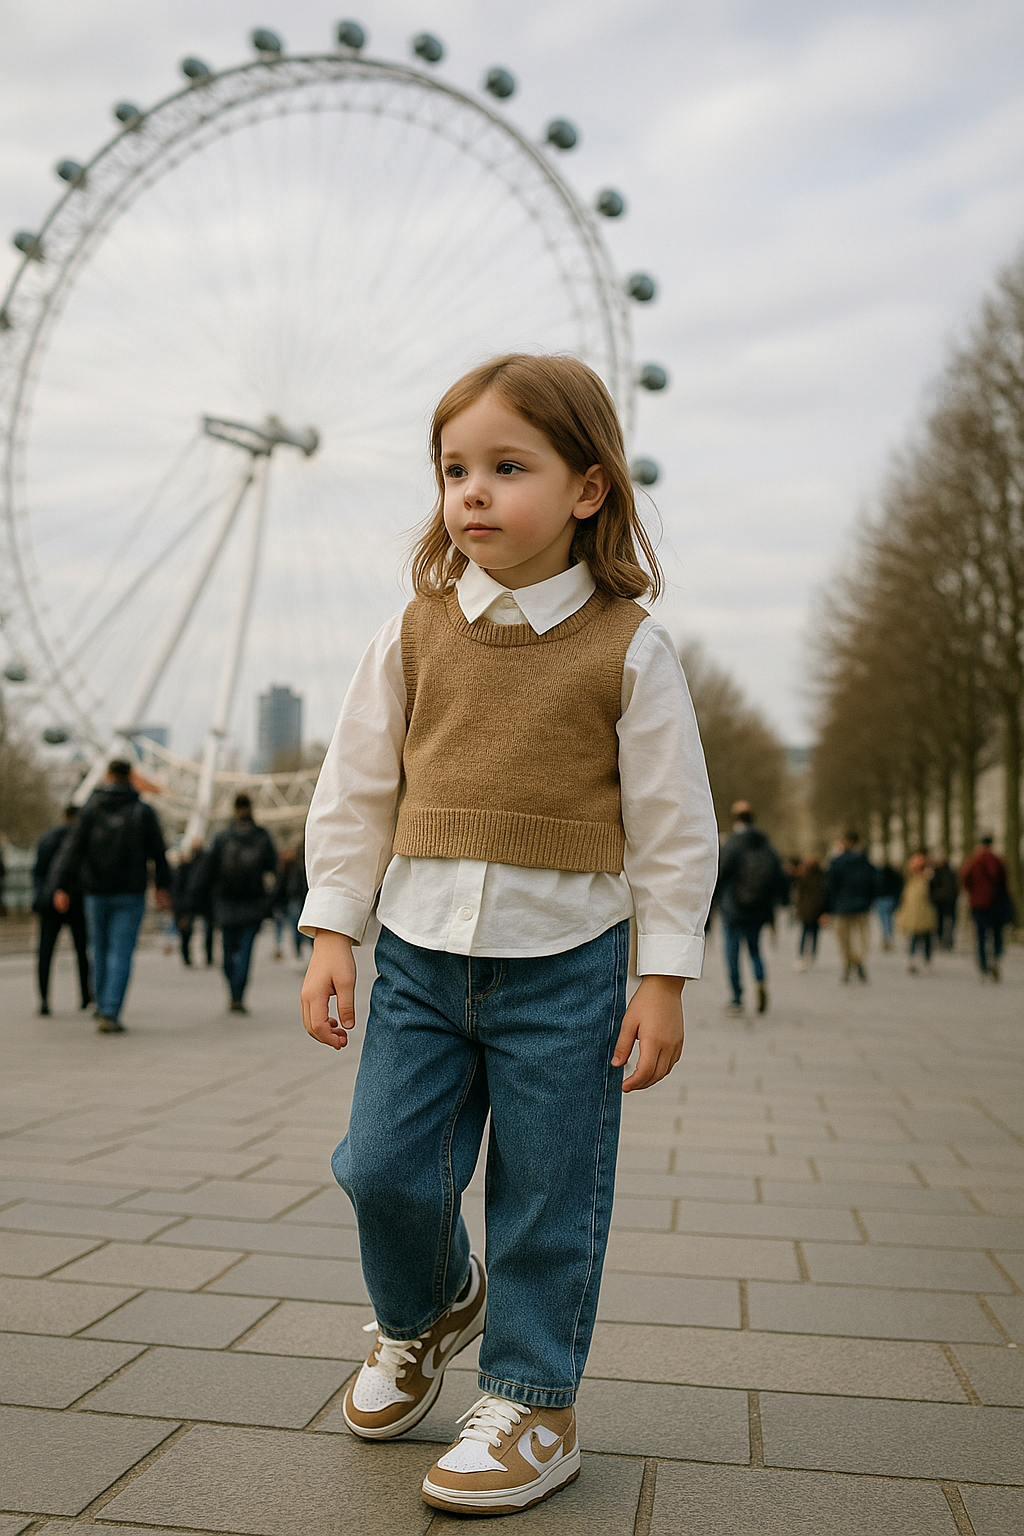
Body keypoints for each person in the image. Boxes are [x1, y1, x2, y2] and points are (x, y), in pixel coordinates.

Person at [298, 354, 718, 1518]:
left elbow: (676, 824)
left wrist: (663, 975)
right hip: (421, 958)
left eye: (505, 467)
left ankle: (534, 1402)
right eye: (452, 471)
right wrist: (333, 931)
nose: (471, 492)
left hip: (568, 968)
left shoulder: (629, 647)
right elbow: (355, 789)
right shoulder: (416, 635)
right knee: (379, 1165)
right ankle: (426, 1305)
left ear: (588, 489)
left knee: (547, 1192)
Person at [51, 759, 171, 1033]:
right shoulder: (143, 811)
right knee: (121, 951)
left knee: (99, 948)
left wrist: (61, 885)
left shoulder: (91, 809)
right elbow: (159, 852)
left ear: (107, 776)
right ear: (130, 777)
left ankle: (100, 1002)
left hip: (95, 890)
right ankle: (110, 1009)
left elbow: (72, 849)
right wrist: (163, 886)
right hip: (130, 891)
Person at [194, 793, 277, 1013]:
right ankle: (239, 994)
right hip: (253, 902)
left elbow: (208, 871)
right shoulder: (262, 836)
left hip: (226, 902)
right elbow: (273, 868)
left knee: (228, 950)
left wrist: (196, 899)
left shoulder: (222, 837)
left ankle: (232, 989)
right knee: (246, 952)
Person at [715, 801, 788, 1015]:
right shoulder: (765, 843)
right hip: (759, 909)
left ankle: (737, 997)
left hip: (734, 909)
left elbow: (720, 873)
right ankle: (760, 979)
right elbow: (779, 875)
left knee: (732, 952)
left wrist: (713, 902)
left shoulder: (732, 844)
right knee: (755, 950)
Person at [33, 806, 92, 1016]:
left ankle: (44, 999)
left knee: (46, 952)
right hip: (76, 901)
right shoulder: (82, 840)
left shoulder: (47, 838)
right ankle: (86, 996)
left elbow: (38, 872)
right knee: (82, 951)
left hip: (49, 903)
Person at [822, 831, 878, 983]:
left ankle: (847, 963)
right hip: (861, 907)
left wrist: (826, 909)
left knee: (843, 940)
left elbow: (829, 886)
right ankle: (859, 961)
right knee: (862, 939)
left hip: (841, 907)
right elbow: (876, 882)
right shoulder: (865, 861)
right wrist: (868, 900)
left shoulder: (836, 862)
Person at [960, 836, 1014, 981]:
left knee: (981, 936)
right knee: (996, 933)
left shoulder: (972, 861)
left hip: (978, 905)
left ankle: (983, 965)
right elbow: (1004, 881)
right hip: (996, 904)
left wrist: (973, 894)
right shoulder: (997, 860)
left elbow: (965, 879)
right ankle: (995, 958)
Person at [895, 852, 937, 974]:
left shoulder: (926, 878)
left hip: (924, 911)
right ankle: (915, 959)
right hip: (915, 912)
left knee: (925, 936)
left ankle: (924, 960)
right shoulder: (911, 879)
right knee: (915, 936)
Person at [170, 838, 205, 966]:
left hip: (189, 903)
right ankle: (186, 956)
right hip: (184, 904)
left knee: (187, 931)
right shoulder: (182, 870)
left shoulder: (193, 866)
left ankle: (187, 956)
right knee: (185, 932)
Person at [792, 855, 824, 971]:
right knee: (813, 934)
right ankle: (812, 955)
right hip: (816, 910)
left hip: (808, 911)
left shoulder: (804, 876)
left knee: (806, 933)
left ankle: (803, 955)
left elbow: (798, 896)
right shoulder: (821, 876)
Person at [929, 855, 958, 951]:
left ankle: (946, 940)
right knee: (943, 922)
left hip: (946, 901)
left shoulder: (946, 873)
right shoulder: (939, 873)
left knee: (946, 922)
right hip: (943, 901)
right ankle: (944, 939)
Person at [875, 860, 903, 951]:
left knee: (884, 920)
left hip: (881, 899)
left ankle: (886, 937)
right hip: (890, 899)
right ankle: (889, 937)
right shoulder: (895, 876)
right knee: (889, 920)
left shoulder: (880, 877)